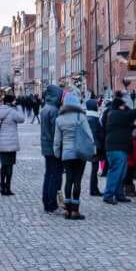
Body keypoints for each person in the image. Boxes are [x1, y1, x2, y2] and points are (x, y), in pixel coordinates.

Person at [53, 91, 95, 220]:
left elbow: (57, 140)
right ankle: (75, 211)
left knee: (68, 180)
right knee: (77, 180)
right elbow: (89, 135)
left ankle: (68, 210)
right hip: (79, 153)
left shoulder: (59, 119)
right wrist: (92, 149)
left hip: (66, 153)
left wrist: (57, 153)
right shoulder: (80, 117)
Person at [101, 92, 136, 204]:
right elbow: (130, 115)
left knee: (120, 173)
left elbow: (125, 127)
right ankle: (108, 195)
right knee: (115, 173)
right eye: (123, 106)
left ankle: (119, 194)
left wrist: (133, 126)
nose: (124, 108)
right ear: (119, 106)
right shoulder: (116, 114)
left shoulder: (114, 115)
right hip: (117, 149)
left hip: (117, 148)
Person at [37, 84, 63, 214]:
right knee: (54, 176)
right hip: (53, 147)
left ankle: (46, 201)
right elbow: (56, 132)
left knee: (48, 175)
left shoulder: (45, 108)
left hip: (46, 146)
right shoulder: (53, 110)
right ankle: (52, 204)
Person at [0, 93, 24, 196]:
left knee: (3, 165)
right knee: (9, 165)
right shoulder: (13, 112)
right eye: (14, 100)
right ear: (11, 102)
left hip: (2, 142)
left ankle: (2, 186)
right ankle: (8, 188)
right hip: (11, 143)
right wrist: (19, 107)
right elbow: (22, 119)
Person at [84, 98, 104, 197]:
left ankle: (94, 188)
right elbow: (96, 134)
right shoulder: (93, 119)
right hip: (95, 147)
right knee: (94, 168)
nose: (98, 107)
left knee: (94, 168)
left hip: (92, 146)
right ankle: (93, 189)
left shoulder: (88, 118)